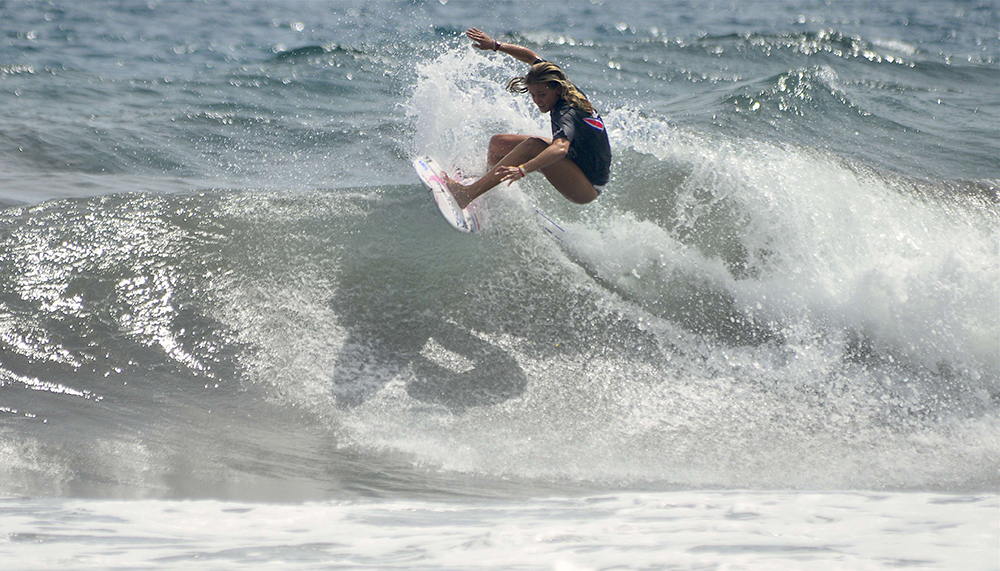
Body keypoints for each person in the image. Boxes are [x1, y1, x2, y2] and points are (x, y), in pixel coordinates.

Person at [445, 28, 612, 210]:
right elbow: (531, 56)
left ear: (556, 89)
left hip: (587, 186)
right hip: (577, 159)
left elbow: (561, 148)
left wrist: (522, 169)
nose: (537, 101)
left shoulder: (565, 112)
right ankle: (487, 191)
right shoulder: (558, 82)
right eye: (533, 94)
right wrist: (495, 45)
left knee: (532, 146)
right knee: (498, 142)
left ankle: (467, 194)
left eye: (541, 94)